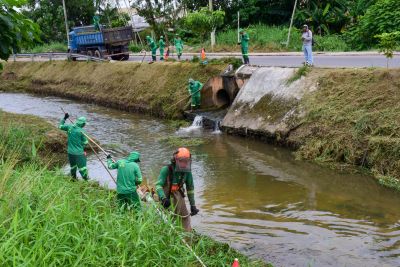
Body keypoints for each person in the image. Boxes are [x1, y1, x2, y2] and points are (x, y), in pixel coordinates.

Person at [155, 148, 199, 232]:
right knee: (165, 217)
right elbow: (158, 185)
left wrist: (193, 206)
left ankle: (186, 234)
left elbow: (190, 189)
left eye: (186, 161)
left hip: (178, 194)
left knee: (184, 217)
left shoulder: (187, 172)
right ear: (175, 160)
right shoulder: (166, 169)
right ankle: (165, 232)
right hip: (166, 195)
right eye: (182, 161)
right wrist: (163, 198)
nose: (184, 163)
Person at [59, 113, 89, 181]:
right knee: (83, 168)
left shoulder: (69, 127)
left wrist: (64, 118)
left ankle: (73, 179)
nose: (85, 125)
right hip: (79, 153)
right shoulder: (82, 131)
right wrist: (83, 149)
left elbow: (60, 126)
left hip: (70, 152)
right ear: (83, 124)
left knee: (73, 167)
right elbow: (85, 142)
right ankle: (86, 181)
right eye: (84, 124)